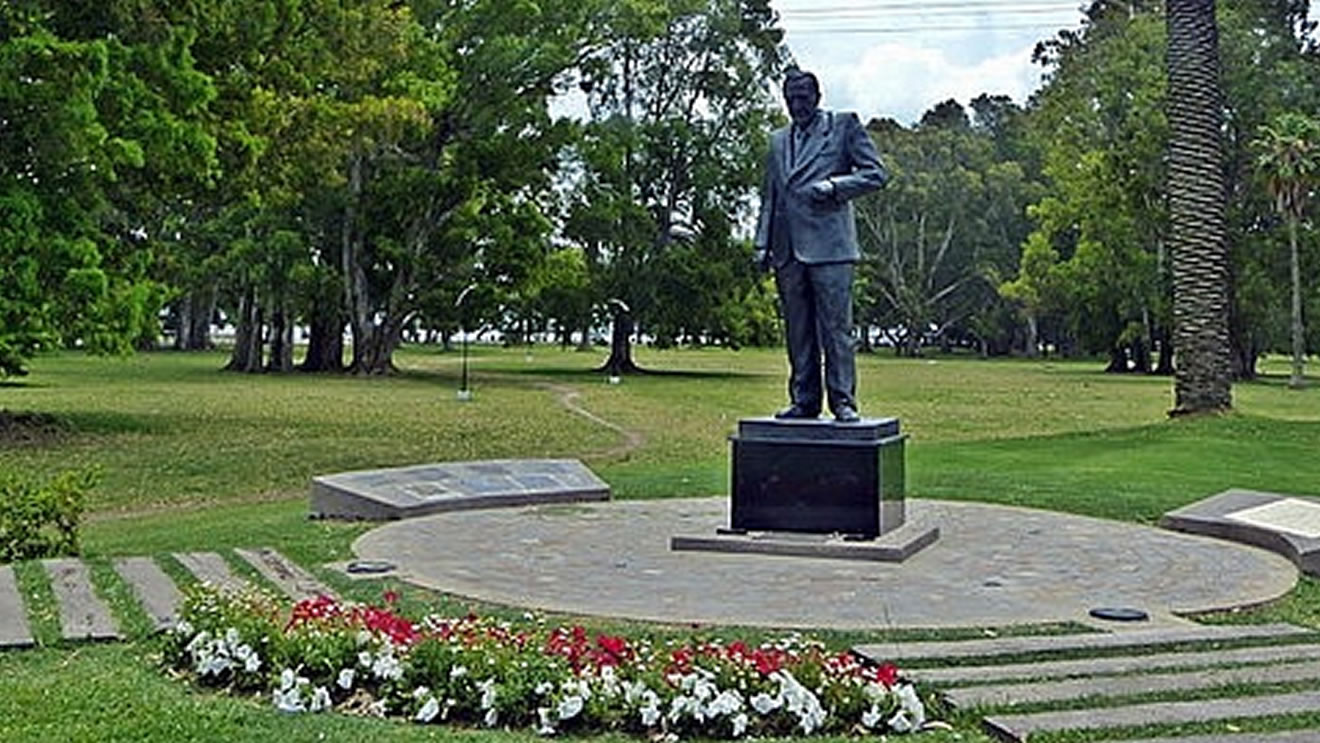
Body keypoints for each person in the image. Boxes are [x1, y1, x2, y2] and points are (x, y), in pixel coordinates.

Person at [754, 68, 888, 423]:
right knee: (797, 331)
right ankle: (804, 400)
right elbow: (770, 196)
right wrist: (760, 244)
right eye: (791, 99)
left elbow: (876, 174)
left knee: (835, 329)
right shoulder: (778, 140)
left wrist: (834, 186)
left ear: (817, 97)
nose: (797, 105)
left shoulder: (843, 126)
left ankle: (843, 401)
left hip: (830, 248)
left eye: (803, 98)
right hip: (787, 249)